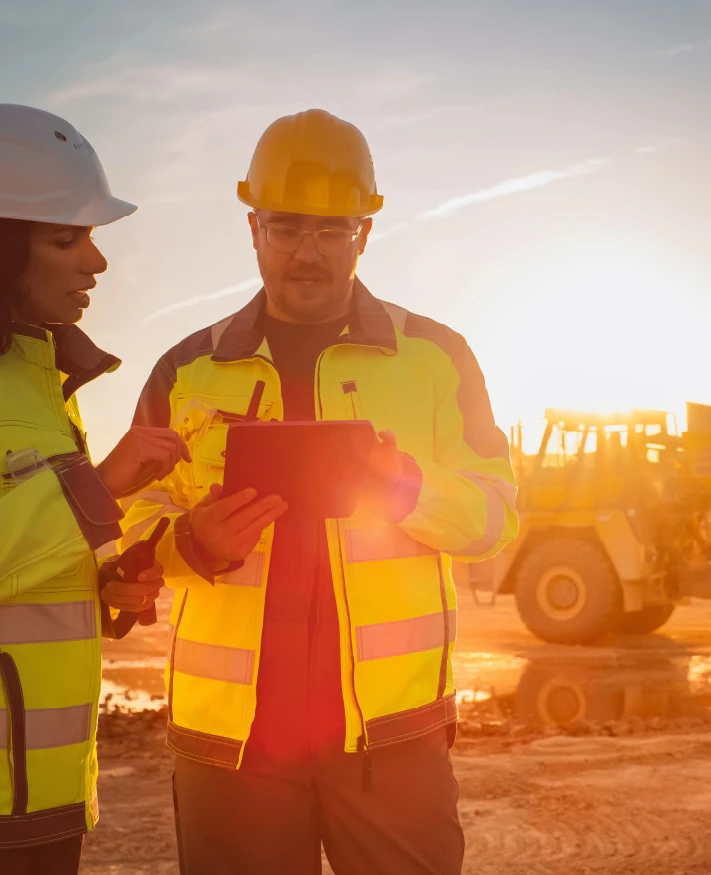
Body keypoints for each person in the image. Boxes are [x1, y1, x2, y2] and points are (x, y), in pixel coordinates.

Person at [118, 108, 518, 874]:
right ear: (253, 229)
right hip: (232, 745)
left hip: (390, 738)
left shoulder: (436, 358)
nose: (307, 252)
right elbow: (130, 525)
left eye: (331, 230)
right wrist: (192, 542)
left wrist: (407, 488)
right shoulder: (184, 371)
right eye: (286, 227)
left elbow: (496, 514)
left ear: (365, 233)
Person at [0, 104, 242, 875]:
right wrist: (96, 488)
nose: (96, 262)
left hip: (47, 804)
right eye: (67, 238)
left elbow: (18, 573)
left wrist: (109, 587)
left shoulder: (40, 384)